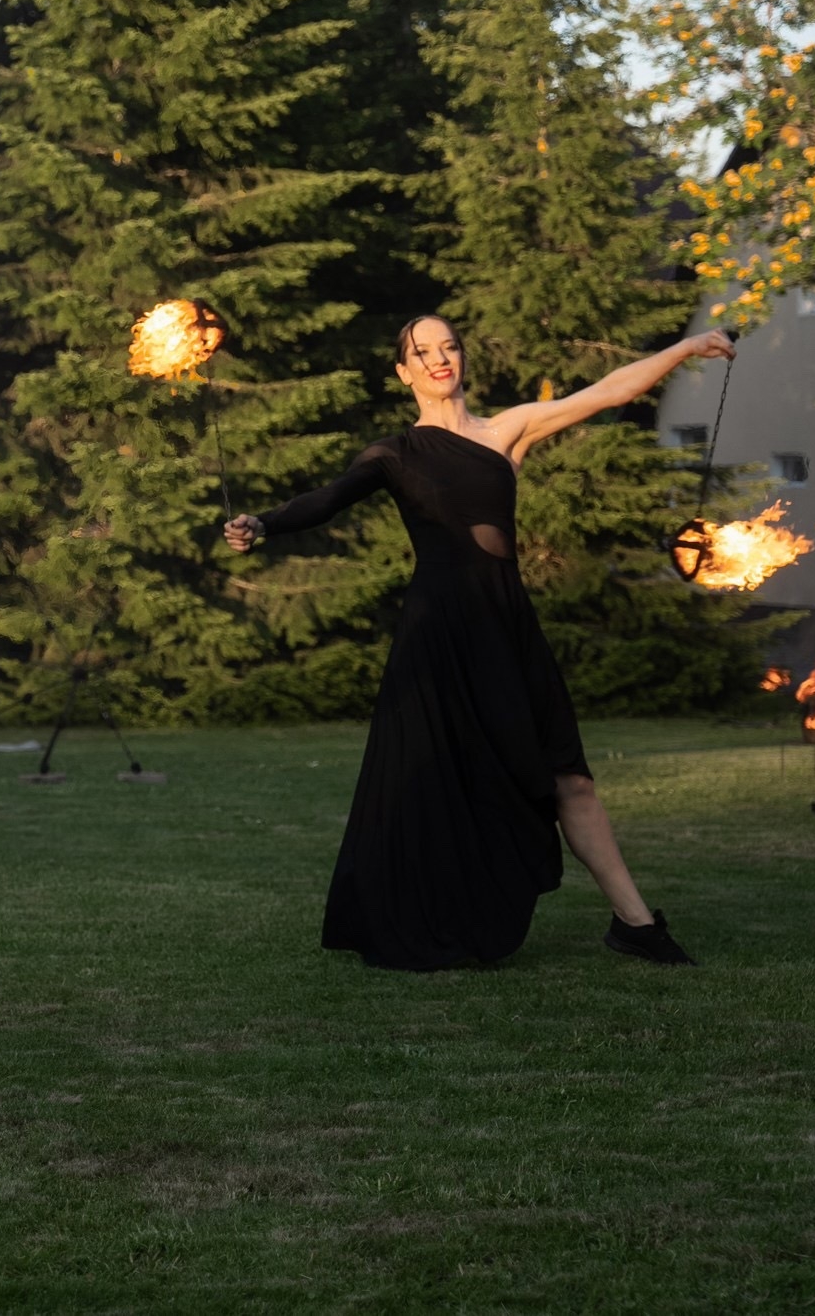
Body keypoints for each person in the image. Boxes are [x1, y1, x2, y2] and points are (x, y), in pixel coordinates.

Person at [223, 315, 733, 971]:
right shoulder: (394, 453)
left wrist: (687, 346)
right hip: (440, 634)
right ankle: (421, 915)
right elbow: (329, 497)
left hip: (508, 627)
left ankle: (636, 924)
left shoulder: (506, 432)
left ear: (463, 357)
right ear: (404, 371)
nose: (439, 359)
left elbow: (608, 392)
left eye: (449, 347)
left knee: (571, 777)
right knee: (437, 782)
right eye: (422, 352)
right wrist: (264, 523)